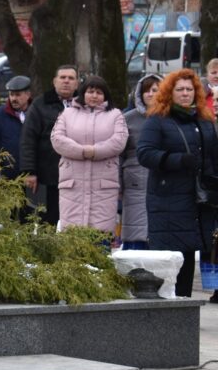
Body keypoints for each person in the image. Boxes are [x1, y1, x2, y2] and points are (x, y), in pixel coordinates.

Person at [136, 69, 218, 298]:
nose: (185, 93)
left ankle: (185, 309)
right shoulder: (158, 120)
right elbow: (145, 153)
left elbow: (213, 158)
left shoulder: (204, 120)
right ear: (170, 93)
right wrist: (177, 160)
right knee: (171, 260)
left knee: (189, 254)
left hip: (198, 201)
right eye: (180, 89)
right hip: (168, 199)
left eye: (189, 89)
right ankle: (169, 310)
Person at [50, 75, 128, 234]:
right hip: (73, 183)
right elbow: (57, 139)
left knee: (101, 234)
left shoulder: (115, 115)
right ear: (83, 93)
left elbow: (119, 141)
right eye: (90, 91)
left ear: (105, 95)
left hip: (104, 185)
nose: (94, 96)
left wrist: (95, 151)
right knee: (73, 234)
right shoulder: (67, 114)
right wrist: (83, 151)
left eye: (99, 92)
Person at [21, 64, 79, 225]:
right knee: (48, 220)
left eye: (71, 78)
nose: (66, 81)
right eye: (62, 77)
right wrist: (29, 171)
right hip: (49, 175)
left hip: (78, 174)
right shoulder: (40, 105)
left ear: (77, 84)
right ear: (54, 81)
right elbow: (28, 139)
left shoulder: (85, 105)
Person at [120, 74, 162, 250]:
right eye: (146, 90)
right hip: (134, 179)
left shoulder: (171, 118)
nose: (150, 94)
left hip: (162, 178)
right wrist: (119, 183)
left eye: (155, 90)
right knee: (135, 228)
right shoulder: (128, 118)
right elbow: (120, 153)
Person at [0, 75, 32, 180]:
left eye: (18, 95)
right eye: (11, 95)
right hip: (8, 177)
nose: (14, 99)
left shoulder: (37, 114)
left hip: (35, 177)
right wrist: (2, 160)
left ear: (28, 95)